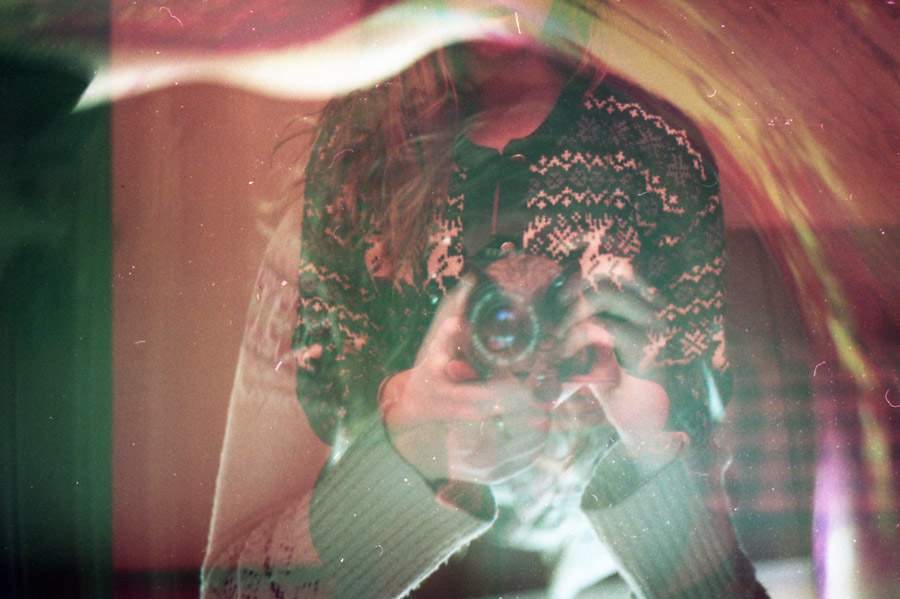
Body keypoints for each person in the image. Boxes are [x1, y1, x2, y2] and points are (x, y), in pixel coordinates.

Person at [202, 2, 770, 597]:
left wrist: (653, 451)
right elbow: (233, 589)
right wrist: (410, 447)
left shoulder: (662, 170)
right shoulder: (340, 201)